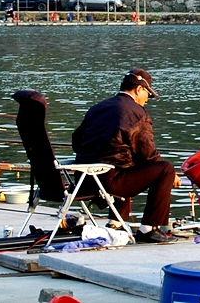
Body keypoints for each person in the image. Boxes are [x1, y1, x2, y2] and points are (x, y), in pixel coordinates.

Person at [72, 69, 181, 244]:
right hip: (109, 184)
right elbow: (147, 153)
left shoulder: (97, 108)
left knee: (124, 164)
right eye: (147, 94)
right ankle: (149, 229)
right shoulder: (137, 113)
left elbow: (76, 142)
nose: (147, 99)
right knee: (165, 169)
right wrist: (172, 175)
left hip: (83, 181)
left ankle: (115, 223)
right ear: (139, 89)